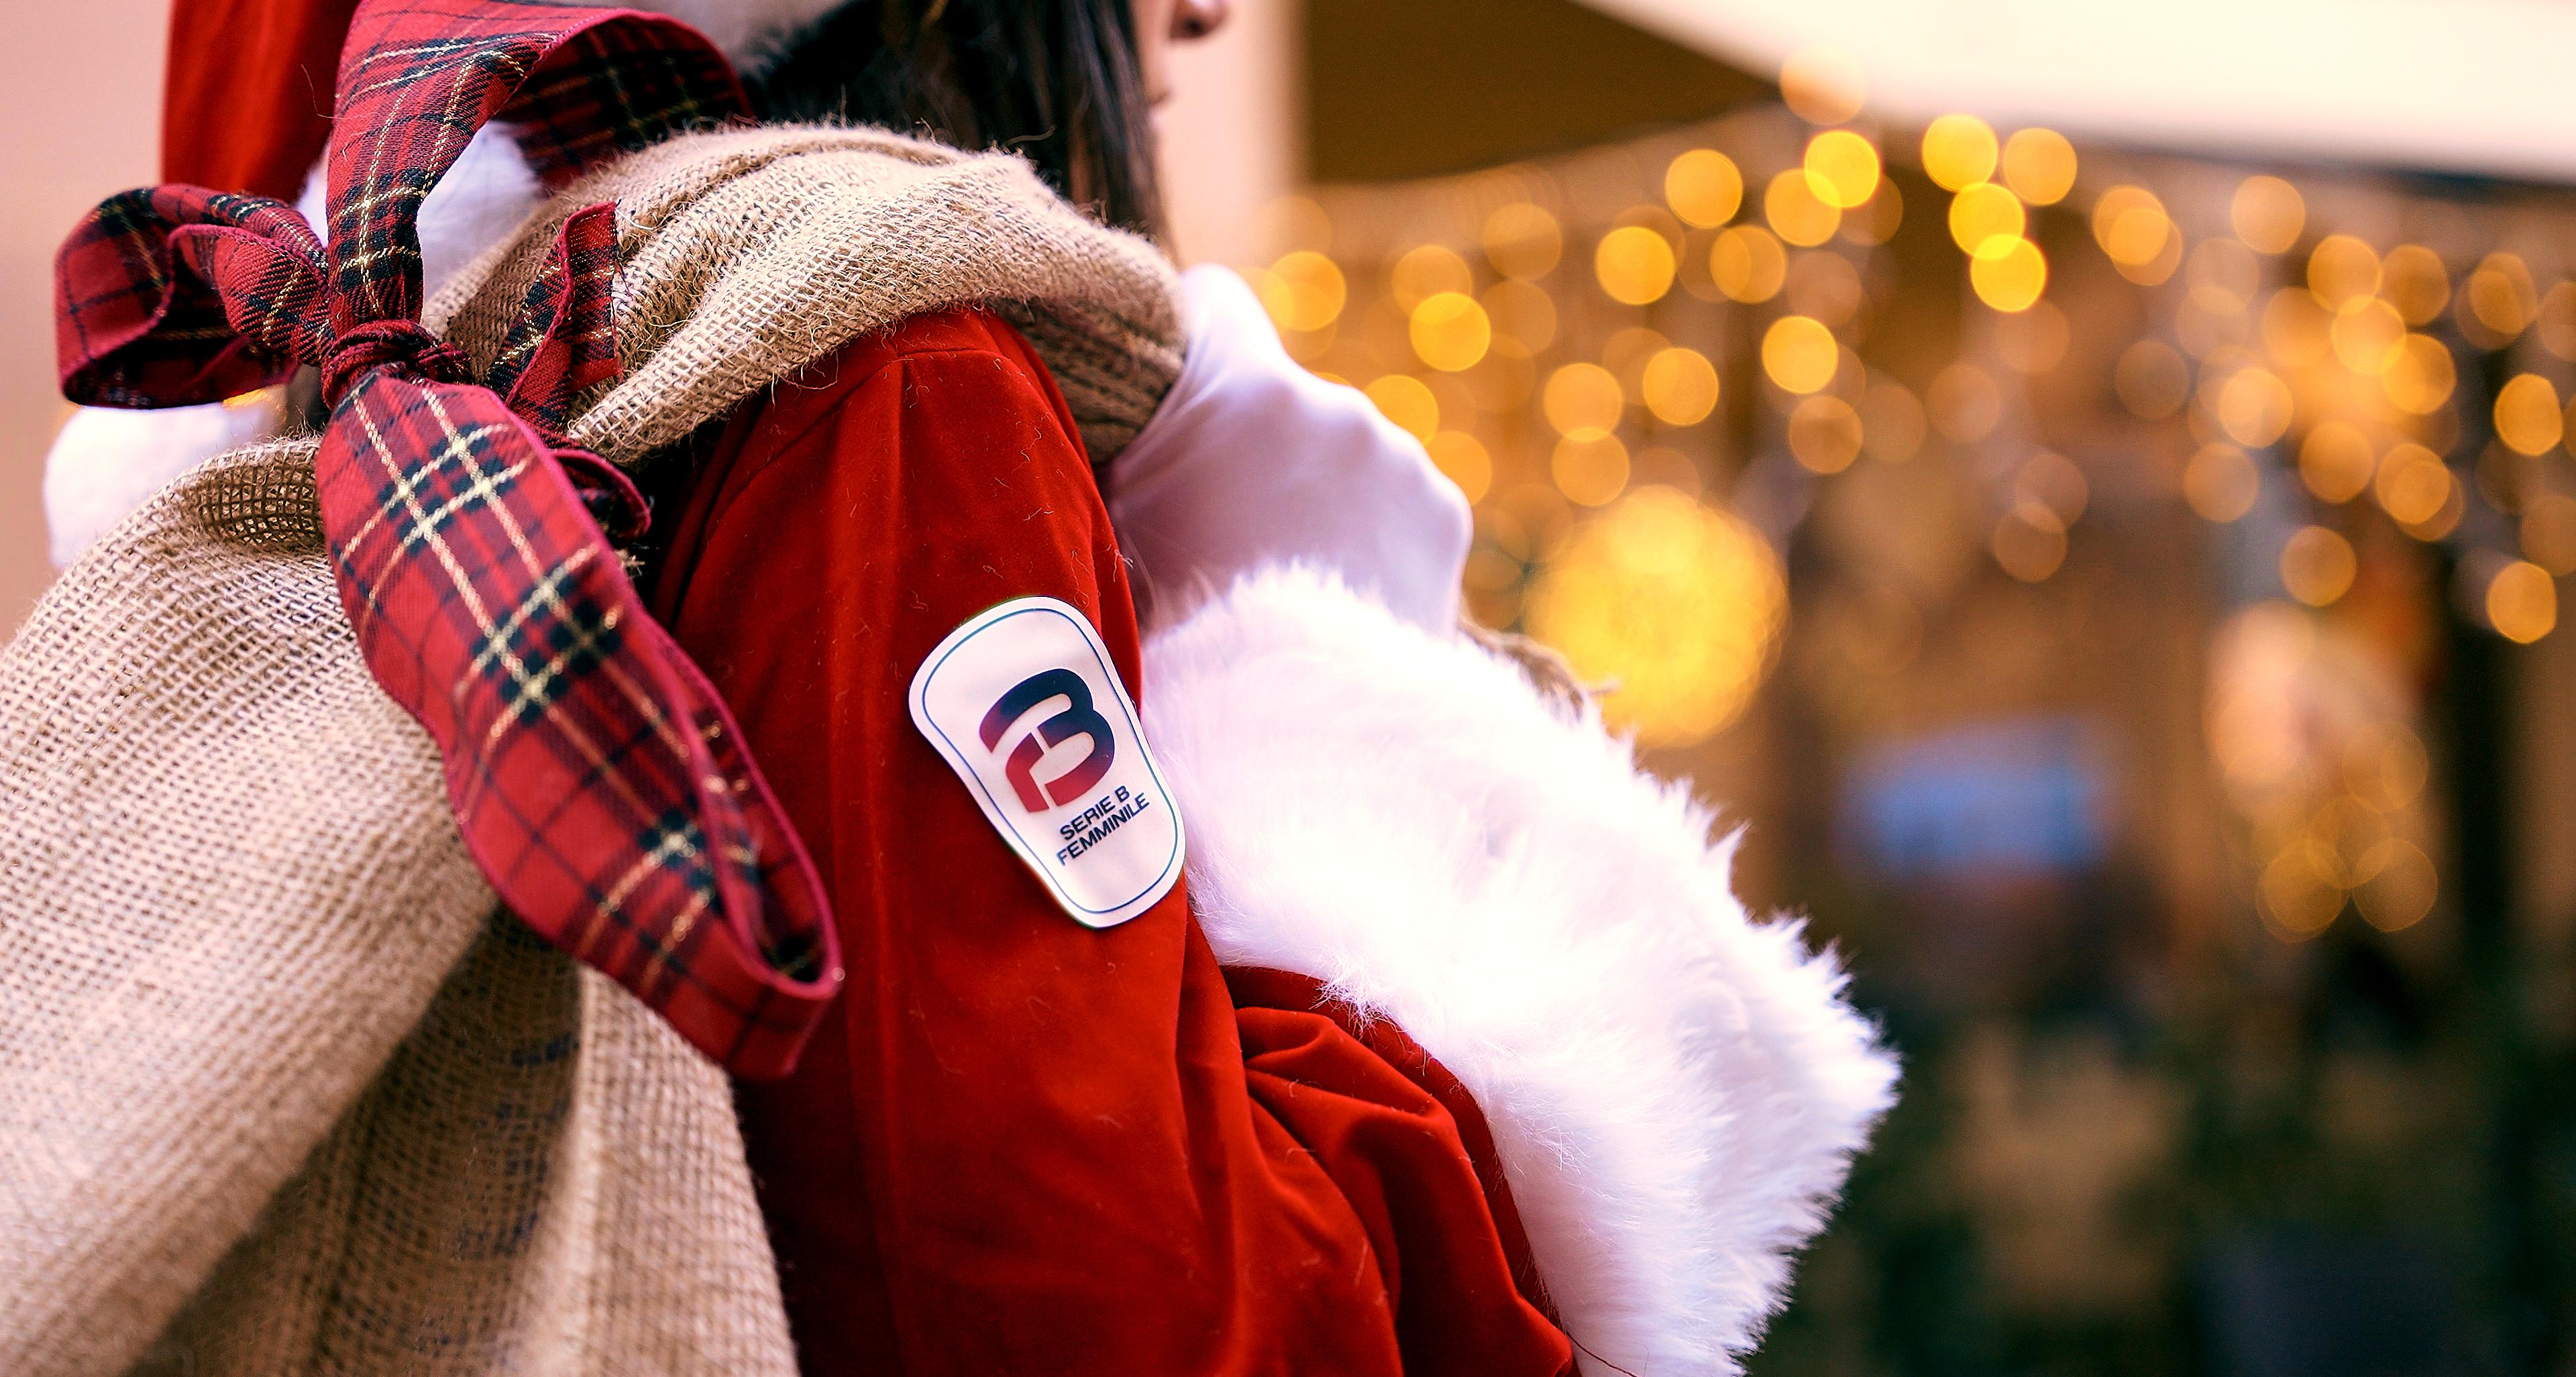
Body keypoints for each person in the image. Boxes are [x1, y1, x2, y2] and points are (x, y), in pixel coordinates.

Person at [40, 2, 1896, 1373]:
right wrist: (1362, 754)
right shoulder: (889, 383)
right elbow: (1156, 1339)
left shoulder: (393, 404)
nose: (1196, 17)